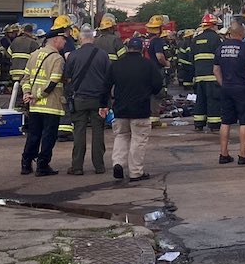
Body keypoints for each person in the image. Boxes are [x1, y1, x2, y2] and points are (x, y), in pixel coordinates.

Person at [106, 36, 164, 182]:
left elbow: (106, 85)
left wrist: (103, 104)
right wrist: (148, 91)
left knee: (121, 136)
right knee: (138, 140)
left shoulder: (117, 65)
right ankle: (135, 172)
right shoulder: (148, 65)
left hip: (120, 109)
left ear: (127, 48)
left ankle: (118, 163)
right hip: (141, 109)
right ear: (142, 49)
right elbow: (158, 85)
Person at [20, 20, 72, 176]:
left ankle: (26, 164)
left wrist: (27, 94)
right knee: (48, 137)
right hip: (51, 105)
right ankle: (42, 165)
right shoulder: (57, 58)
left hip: (34, 106)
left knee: (33, 135)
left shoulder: (34, 55)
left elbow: (25, 79)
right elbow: (53, 82)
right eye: (63, 39)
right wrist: (37, 95)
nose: (64, 43)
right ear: (55, 40)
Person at [63, 32, 111, 175]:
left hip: (79, 100)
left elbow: (67, 77)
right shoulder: (103, 55)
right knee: (98, 132)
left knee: (79, 132)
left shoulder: (73, 55)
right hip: (98, 100)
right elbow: (109, 77)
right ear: (93, 39)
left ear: (80, 40)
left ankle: (77, 167)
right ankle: (99, 166)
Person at [214, 20, 245, 166]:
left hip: (227, 88)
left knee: (226, 121)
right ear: (241, 33)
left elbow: (216, 70)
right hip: (243, 89)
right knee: (244, 121)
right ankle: (243, 154)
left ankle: (224, 154)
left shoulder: (220, 49)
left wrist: (223, 84)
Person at [191, 14, 223, 133]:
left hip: (199, 76)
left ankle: (198, 123)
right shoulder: (216, 39)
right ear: (213, 25)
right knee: (213, 100)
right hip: (212, 76)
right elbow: (220, 58)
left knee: (200, 100)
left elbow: (191, 59)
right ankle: (214, 125)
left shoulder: (196, 39)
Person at [144, 15, 170, 128]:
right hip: (155, 70)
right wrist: (167, 63)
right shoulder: (158, 41)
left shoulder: (145, 40)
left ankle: (147, 117)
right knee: (157, 93)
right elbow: (159, 56)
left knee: (147, 93)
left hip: (145, 70)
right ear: (158, 28)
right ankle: (154, 119)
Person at [7, 24, 40, 104]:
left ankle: (15, 105)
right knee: (25, 89)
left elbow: (8, 53)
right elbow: (37, 57)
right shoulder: (33, 42)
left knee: (15, 89)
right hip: (25, 71)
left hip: (14, 70)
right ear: (31, 32)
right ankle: (23, 106)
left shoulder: (15, 41)